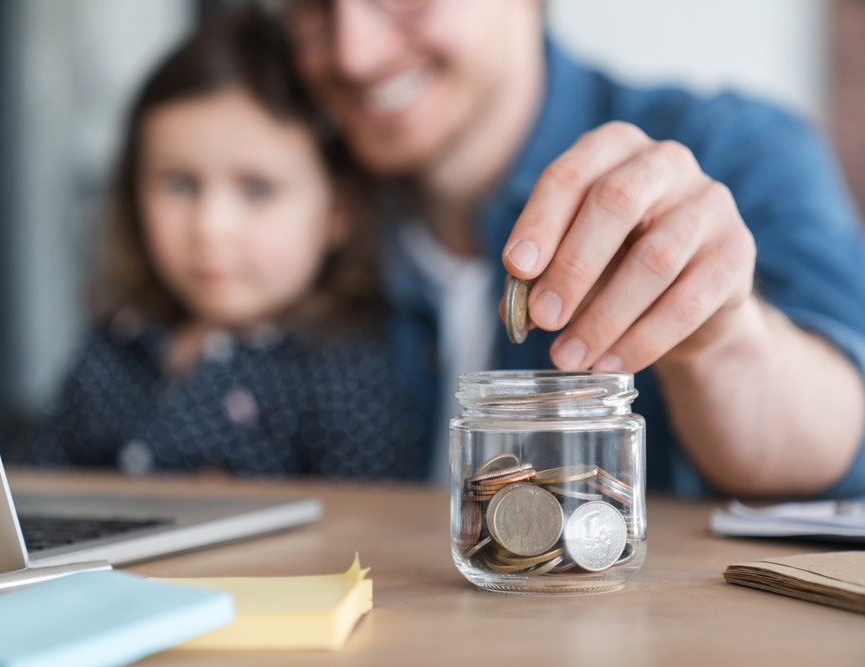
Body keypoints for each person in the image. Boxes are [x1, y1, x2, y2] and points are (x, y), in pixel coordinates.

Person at [283, 0, 865, 496]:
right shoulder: (274, 195)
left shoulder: (739, 149)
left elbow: (847, 433)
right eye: (311, 7)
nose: (351, 54)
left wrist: (725, 341)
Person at [29, 9, 427, 479]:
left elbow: (370, 539)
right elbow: (35, 492)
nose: (210, 227)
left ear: (338, 211)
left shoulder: (347, 378)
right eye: (179, 184)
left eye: (257, 189)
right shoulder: (113, 349)